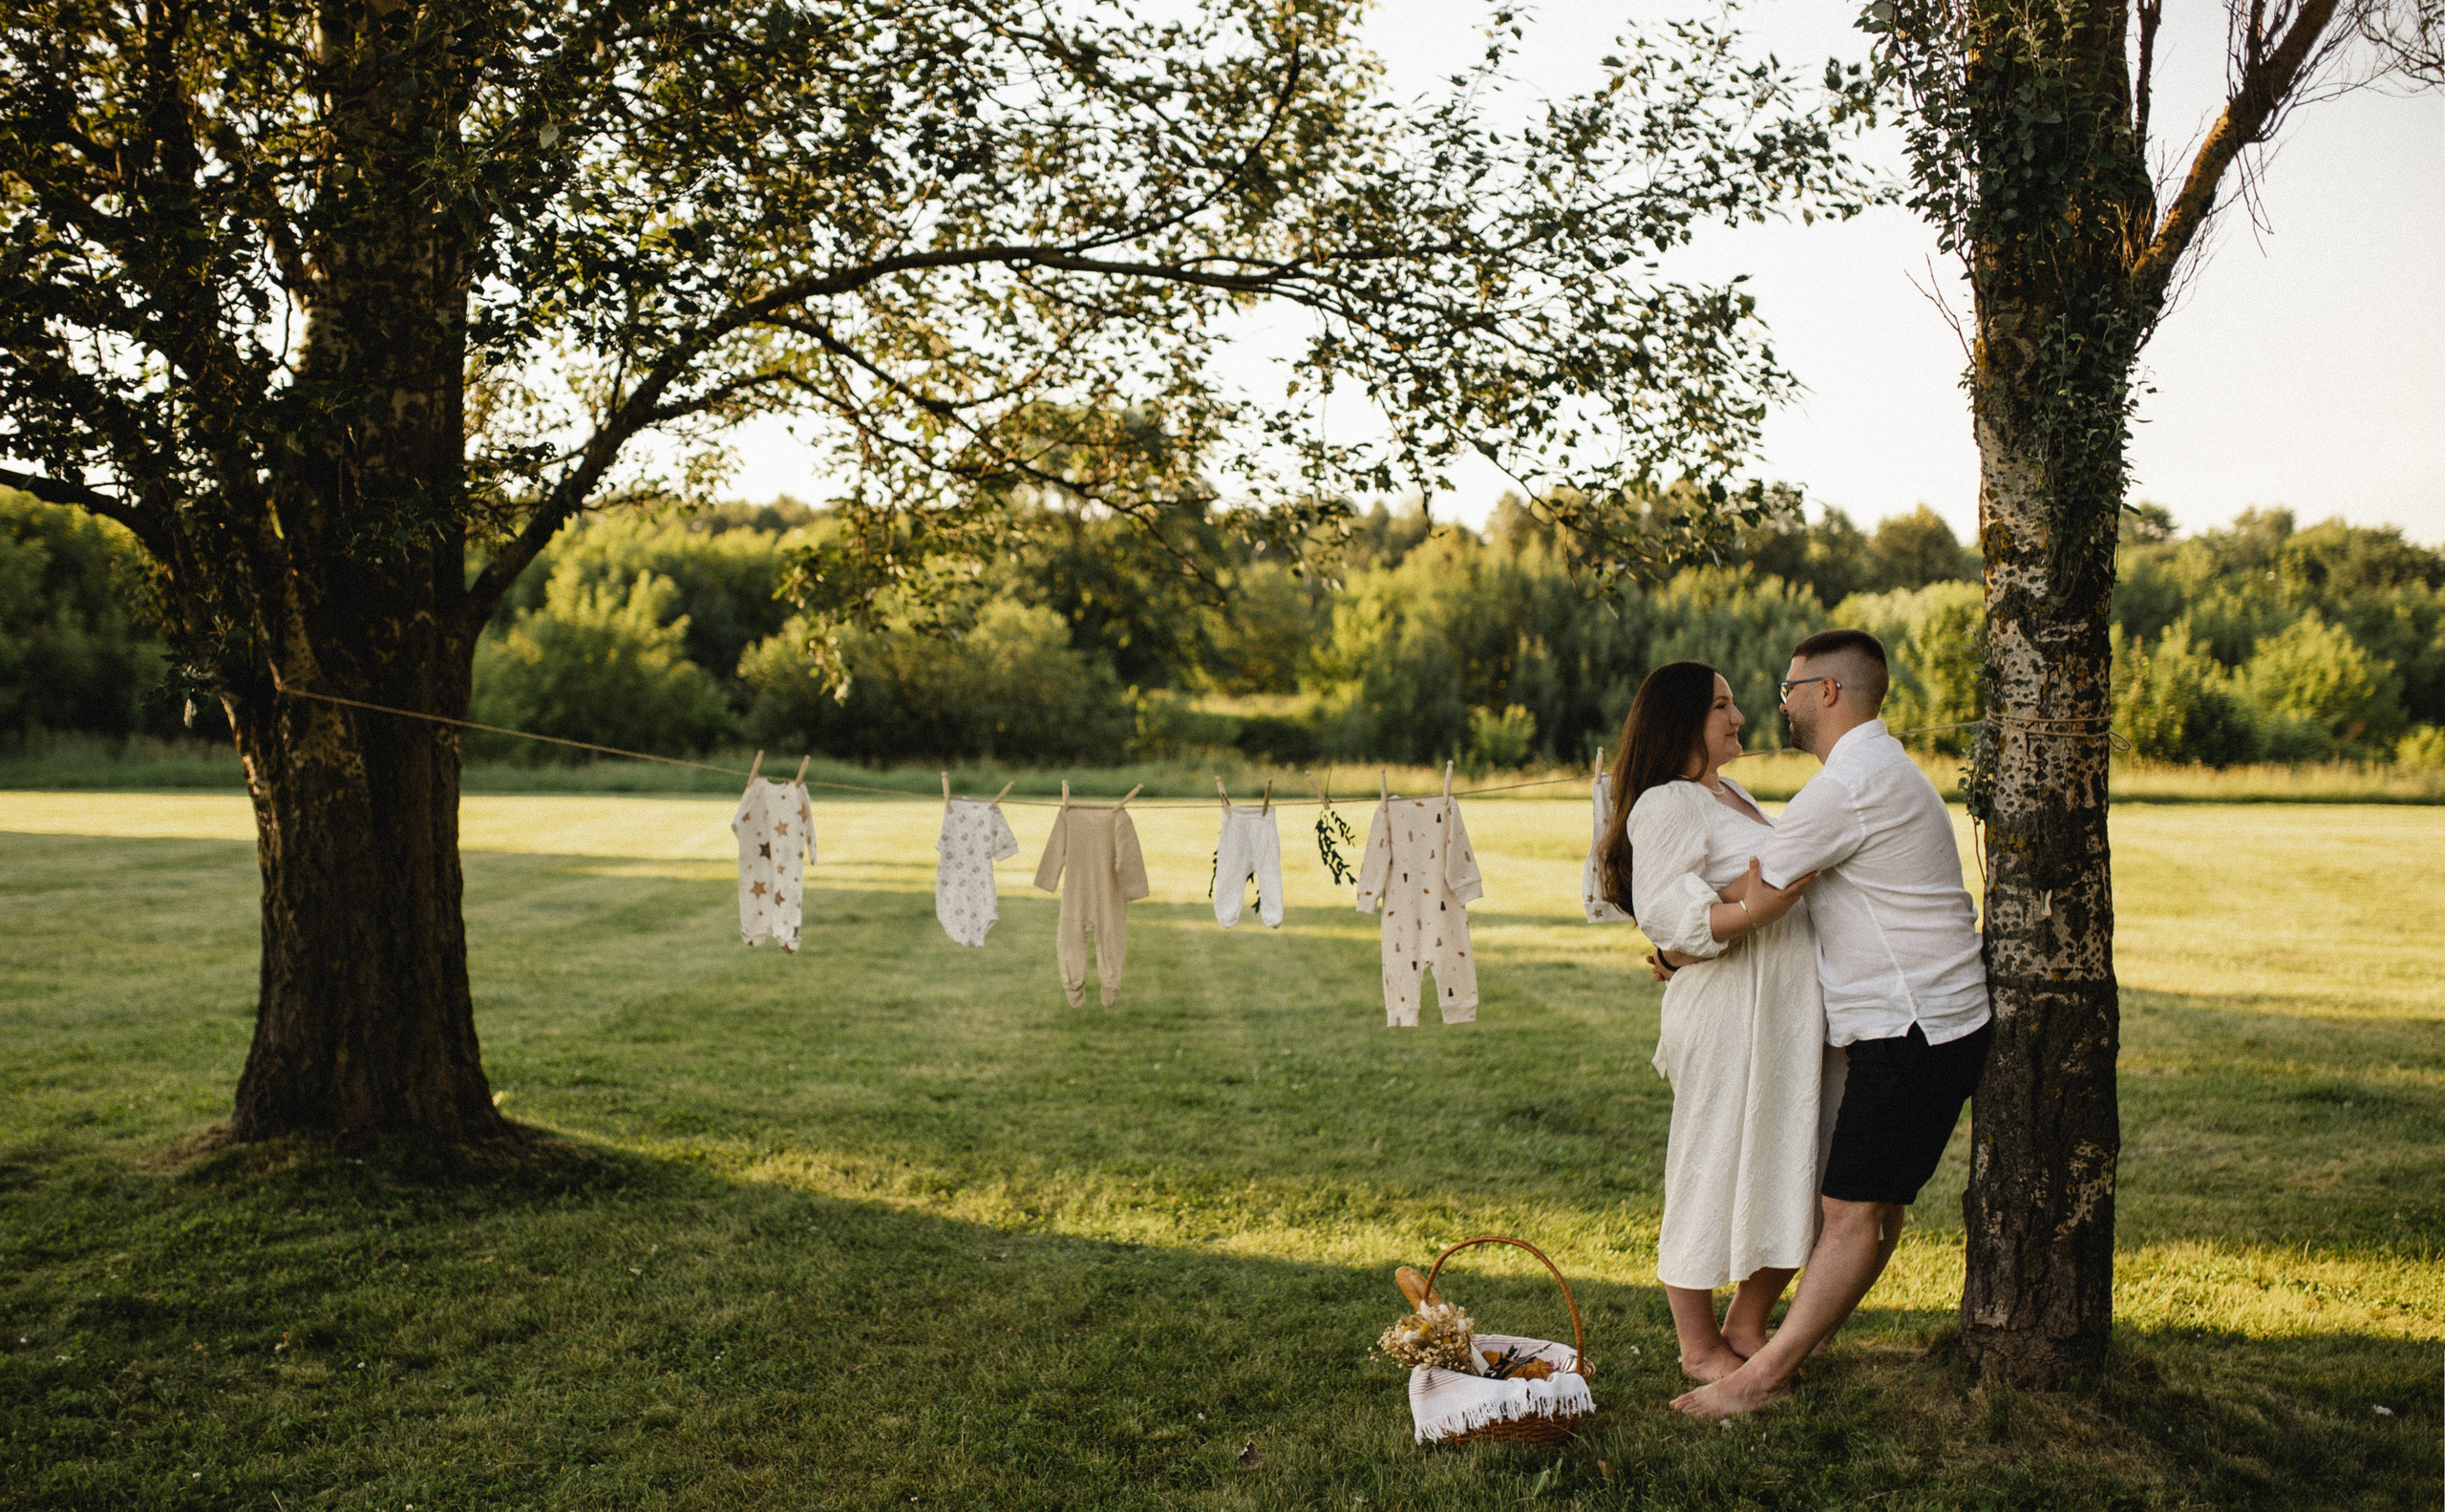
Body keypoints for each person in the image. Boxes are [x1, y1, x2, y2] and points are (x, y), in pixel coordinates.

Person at [1669, 628, 1992, 1418]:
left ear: (1829, 691)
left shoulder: (1845, 786)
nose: (1781, 704)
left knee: (1852, 1212)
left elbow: (1761, 888)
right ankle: (1783, 1352)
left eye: (1789, 688)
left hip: (1912, 1025)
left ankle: (1759, 1379)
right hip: (1934, 1021)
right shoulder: (1880, 770)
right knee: (1871, 1212)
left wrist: (1680, 941)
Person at [1599, 661, 1839, 1384]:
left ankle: (1746, 1322)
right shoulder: (1666, 801)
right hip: (1728, 1012)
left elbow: (1738, 880)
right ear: (1681, 721)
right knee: (1708, 1165)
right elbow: (1666, 909)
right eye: (1722, 706)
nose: (1738, 717)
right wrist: (1752, 911)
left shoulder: (1730, 794)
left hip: (1781, 1016)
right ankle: (1698, 1345)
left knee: (1795, 1161)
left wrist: (1750, 897)